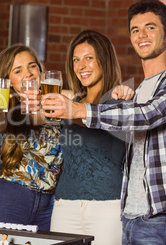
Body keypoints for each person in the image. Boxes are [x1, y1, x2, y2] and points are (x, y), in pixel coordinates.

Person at [42, 0, 166, 244]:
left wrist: (80, 109)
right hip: (130, 214)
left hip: (163, 213)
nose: (141, 35)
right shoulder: (134, 92)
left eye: (150, 28)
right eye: (135, 30)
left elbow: (148, 115)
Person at [49, 30, 126, 245]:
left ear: (104, 59)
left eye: (89, 58)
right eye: (76, 59)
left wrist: (71, 110)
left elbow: (88, 117)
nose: (81, 65)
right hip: (65, 204)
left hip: (108, 206)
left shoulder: (119, 103)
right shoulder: (71, 99)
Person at [0, 43, 64, 231]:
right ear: (9, 81)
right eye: (18, 70)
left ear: (40, 69)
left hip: (49, 202)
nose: (28, 73)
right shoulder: (8, 102)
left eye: (32, 66)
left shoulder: (58, 99)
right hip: (11, 196)